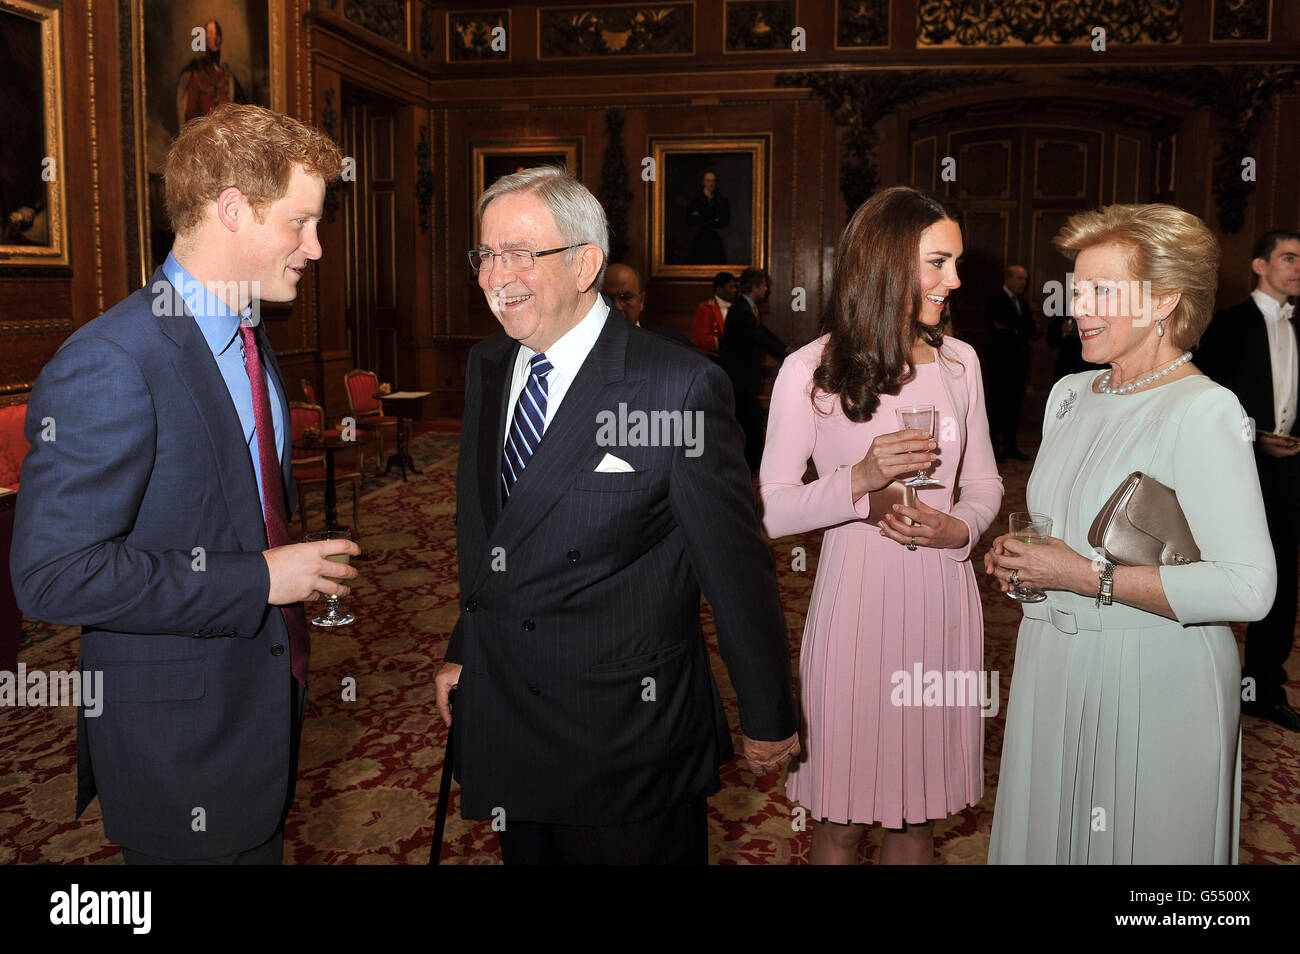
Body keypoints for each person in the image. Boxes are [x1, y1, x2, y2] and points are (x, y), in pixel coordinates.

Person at [11, 104, 357, 864]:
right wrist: (258, 580)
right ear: (233, 210)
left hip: (259, 709)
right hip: (182, 750)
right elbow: (51, 576)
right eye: (301, 222)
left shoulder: (249, 331)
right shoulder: (111, 360)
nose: (317, 246)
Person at [435, 166, 798, 865]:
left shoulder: (674, 387)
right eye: (485, 255)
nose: (492, 276)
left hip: (623, 737)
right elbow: (493, 534)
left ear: (585, 264)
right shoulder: (487, 365)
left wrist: (766, 712)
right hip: (508, 715)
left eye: (518, 255)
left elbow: (734, 567)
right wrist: (464, 648)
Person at [985, 204, 1276, 864]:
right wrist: (1025, 564)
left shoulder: (1205, 410)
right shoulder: (1069, 395)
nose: (1076, 305)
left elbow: (1248, 587)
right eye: (1076, 287)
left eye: (1101, 291)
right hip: (1051, 661)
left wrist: (1080, 575)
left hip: (1154, 677)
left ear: (1165, 300)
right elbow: (1057, 535)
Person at [760, 186, 1003, 865]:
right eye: (938, 262)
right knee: (839, 816)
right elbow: (772, 509)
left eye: (954, 264)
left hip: (941, 601)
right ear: (886, 261)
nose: (954, 281)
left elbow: (983, 482)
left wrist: (960, 530)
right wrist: (860, 486)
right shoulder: (810, 370)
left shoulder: (962, 363)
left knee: (915, 817)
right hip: (856, 608)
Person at [1197, 229, 1300, 731]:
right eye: (1289, 258)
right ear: (1260, 265)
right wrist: (1254, 435)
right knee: (1211, 563)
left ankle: (1263, 685)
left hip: (1288, 473)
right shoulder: (1227, 326)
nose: (1298, 267)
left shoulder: (1299, 325)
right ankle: (1195, 677)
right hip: (1235, 465)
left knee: (1282, 574)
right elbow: (1204, 398)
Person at [719, 267, 789, 471]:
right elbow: (758, 335)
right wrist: (786, 352)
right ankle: (752, 465)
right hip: (739, 376)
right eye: (764, 285)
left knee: (749, 419)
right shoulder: (741, 309)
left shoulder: (747, 307)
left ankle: (752, 464)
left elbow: (762, 332)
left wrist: (785, 348)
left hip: (745, 376)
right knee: (749, 421)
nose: (766, 289)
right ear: (755, 286)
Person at [985, 264, 1038, 461]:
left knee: (1014, 406)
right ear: (1008, 278)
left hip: (1019, 362)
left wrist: (1015, 328)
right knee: (997, 405)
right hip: (1000, 363)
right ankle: (992, 448)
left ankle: (1010, 446)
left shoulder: (1022, 304)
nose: (1024, 283)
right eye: (1020, 278)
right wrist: (1017, 328)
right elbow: (1001, 325)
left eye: (1025, 279)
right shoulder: (996, 298)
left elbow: (1031, 329)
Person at [602, 262, 691, 348]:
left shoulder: (672, 343)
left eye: (625, 297)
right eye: (608, 298)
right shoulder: (589, 343)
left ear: (641, 301)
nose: (617, 306)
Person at [177, 19, 246, 128]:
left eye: (212, 33)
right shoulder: (195, 72)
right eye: (206, 33)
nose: (208, 37)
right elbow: (190, 111)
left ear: (219, 39)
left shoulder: (228, 77)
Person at [686, 171, 729, 264]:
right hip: (700, 239)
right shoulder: (695, 200)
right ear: (703, 182)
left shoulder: (721, 200)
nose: (710, 184)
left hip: (715, 239)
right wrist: (712, 218)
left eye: (713, 181)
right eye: (708, 181)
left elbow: (724, 221)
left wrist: (701, 216)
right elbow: (690, 221)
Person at [691, 271, 738, 357]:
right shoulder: (706, 309)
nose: (735, 290)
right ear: (719, 289)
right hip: (713, 357)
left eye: (735, 287)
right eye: (731, 287)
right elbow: (699, 338)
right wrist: (723, 343)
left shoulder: (737, 308)